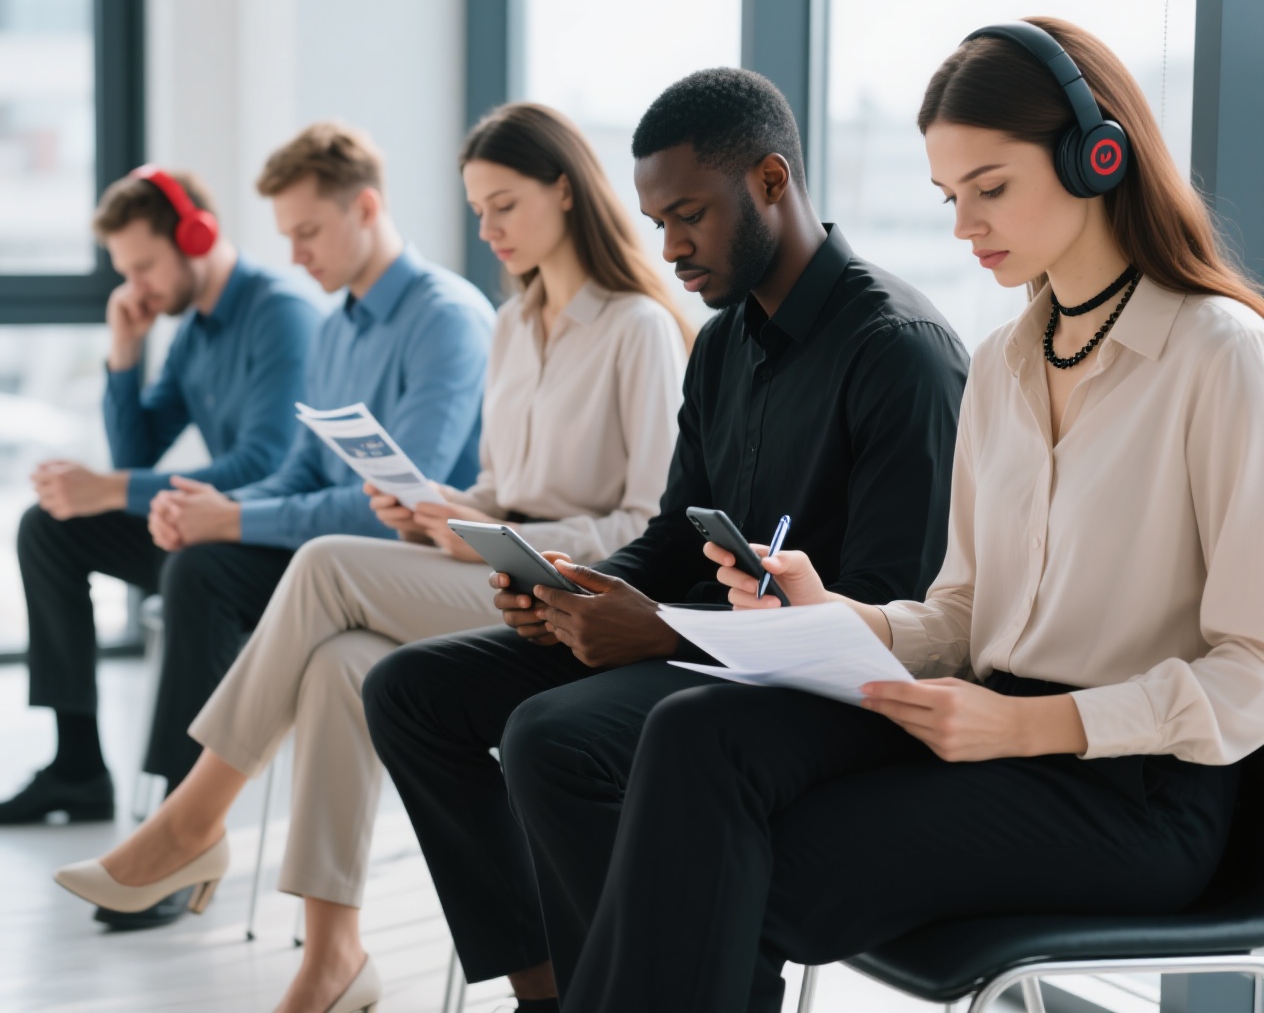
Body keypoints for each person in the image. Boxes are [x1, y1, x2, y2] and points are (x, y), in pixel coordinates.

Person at [563, 17, 1264, 1013]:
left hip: (1134, 790)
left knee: (736, 863)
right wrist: (834, 616)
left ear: (1093, 156)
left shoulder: (1219, 356)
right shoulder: (1007, 363)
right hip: (983, 721)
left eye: (990, 188)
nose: (962, 226)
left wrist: (1030, 728)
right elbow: (962, 614)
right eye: (949, 196)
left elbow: (1251, 676)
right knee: (694, 736)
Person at [53, 103, 695, 1013]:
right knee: (339, 665)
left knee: (322, 564)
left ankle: (195, 819)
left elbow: (645, 526)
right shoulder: (517, 326)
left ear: (564, 190)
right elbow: (501, 487)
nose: (489, 230)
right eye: (477, 211)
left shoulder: (636, 328)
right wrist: (445, 510)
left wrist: (502, 536)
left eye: (504, 205)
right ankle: (333, 957)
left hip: (573, 592)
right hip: (495, 564)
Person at [362, 68, 971, 1010]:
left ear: (771, 182)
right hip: (712, 649)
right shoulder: (722, 345)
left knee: (553, 738)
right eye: (657, 223)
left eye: (690, 215)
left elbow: (890, 617)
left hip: (834, 689)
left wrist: (665, 633)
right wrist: (578, 587)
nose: (673, 246)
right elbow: (674, 534)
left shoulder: (899, 351)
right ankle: (555, 989)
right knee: (412, 692)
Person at [0, 167, 321, 827]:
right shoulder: (193, 331)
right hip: (215, 535)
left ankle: (176, 820)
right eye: (127, 271)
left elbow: (263, 467)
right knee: (48, 528)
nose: (138, 286)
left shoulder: (281, 315)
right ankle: (77, 768)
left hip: (274, 549)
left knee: (183, 562)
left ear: (196, 234)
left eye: (146, 266)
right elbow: (135, 456)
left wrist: (108, 488)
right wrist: (124, 353)